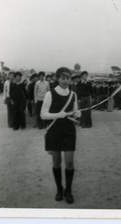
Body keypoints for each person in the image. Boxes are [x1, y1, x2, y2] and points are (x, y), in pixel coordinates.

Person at [41, 67, 80, 204]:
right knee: (56, 162)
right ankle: (59, 189)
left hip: (69, 131)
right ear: (57, 78)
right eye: (63, 78)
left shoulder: (73, 95)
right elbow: (43, 114)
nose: (65, 80)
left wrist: (77, 114)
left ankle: (68, 190)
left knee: (69, 162)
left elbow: (76, 111)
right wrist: (59, 115)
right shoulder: (50, 94)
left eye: (68, 78)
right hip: (54, 130)